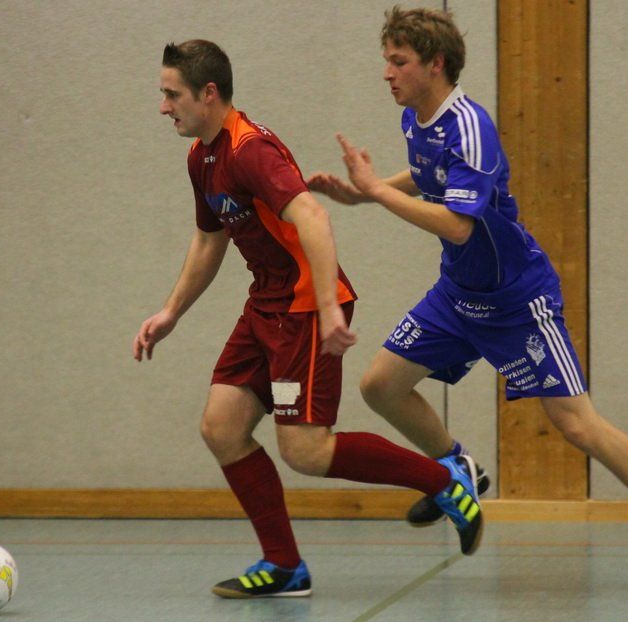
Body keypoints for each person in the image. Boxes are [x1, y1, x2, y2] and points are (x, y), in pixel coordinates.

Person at [307, 6, 628, 595]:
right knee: (380, 386)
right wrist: (365, 194)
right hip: (458, 294)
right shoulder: (417, 119)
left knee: (576, 424)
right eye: (387, 61)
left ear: (436, 64)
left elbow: (458, 225)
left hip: (516, 300)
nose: (387, 73)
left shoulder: (471, 126)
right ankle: (459, 467)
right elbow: (429, 174)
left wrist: (376, 190)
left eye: (399, 62)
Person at [133, 39, 485, 600]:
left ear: (208, 93)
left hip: (302, 310)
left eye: (172, 94)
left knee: (306, 450)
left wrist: (325, 306)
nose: (163, 106)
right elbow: (209, 238)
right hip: (266, 306)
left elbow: (314, 217)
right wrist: (171, 310)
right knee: (222, 428)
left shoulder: (251, 150)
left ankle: (446, 480)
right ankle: (284, 566)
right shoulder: (202, 156)